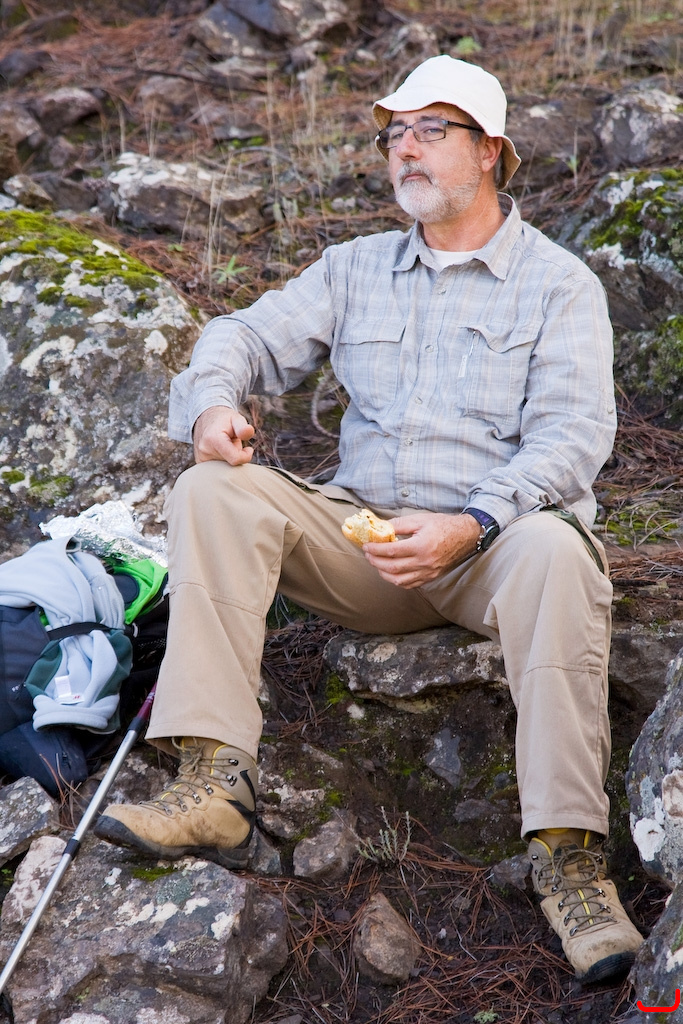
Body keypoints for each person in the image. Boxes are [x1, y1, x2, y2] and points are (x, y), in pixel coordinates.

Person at [94, 55, 644, 983]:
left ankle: (570, 863)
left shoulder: (559, 284)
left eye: (431, 130)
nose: (405, 150)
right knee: (210, 490)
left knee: (556, 551)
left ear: (491, 151)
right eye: (394, 134)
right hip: (364, 547)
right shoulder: (353, 268)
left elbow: (571, 439)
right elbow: (241, 334)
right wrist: (213, 405)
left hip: (494, 551)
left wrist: (472, 523)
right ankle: (216, 781)